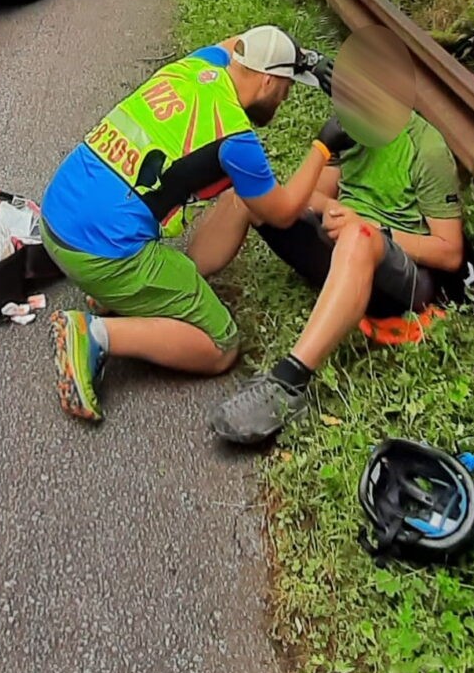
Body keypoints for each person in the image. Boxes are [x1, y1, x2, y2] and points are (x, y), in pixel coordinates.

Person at [44, 27, 330, 423]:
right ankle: (94, 335)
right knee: (221, 345)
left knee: (238, 196)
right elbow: (280, 212)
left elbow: (238, 42)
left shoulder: (198, 66)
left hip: (57, 215)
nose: (285, 98)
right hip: (101, 254)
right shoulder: (236, 138)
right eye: (286, 88)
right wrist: (323, 148)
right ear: (268, 80)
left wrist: (304, 58)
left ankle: (130, 296)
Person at [207, 39, 466, 447]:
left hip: (401, 277)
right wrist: (329, 207)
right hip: (345, 249)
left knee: (359, 238)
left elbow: (449, 253)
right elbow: (312, 196)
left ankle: (289, 383)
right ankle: (176, 285)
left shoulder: (427, 149)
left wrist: (369, 227)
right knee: (246, 197)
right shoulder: (350, 127)